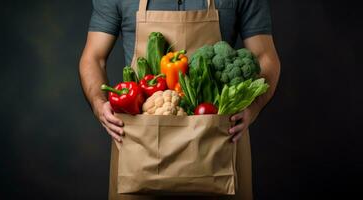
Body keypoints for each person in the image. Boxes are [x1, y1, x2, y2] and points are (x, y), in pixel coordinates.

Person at [79, 0, 280, 199]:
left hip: (218, 145)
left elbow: (266, 58)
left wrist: (252, 108)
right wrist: (99, 104)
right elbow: (94, 58)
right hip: (140, 149)